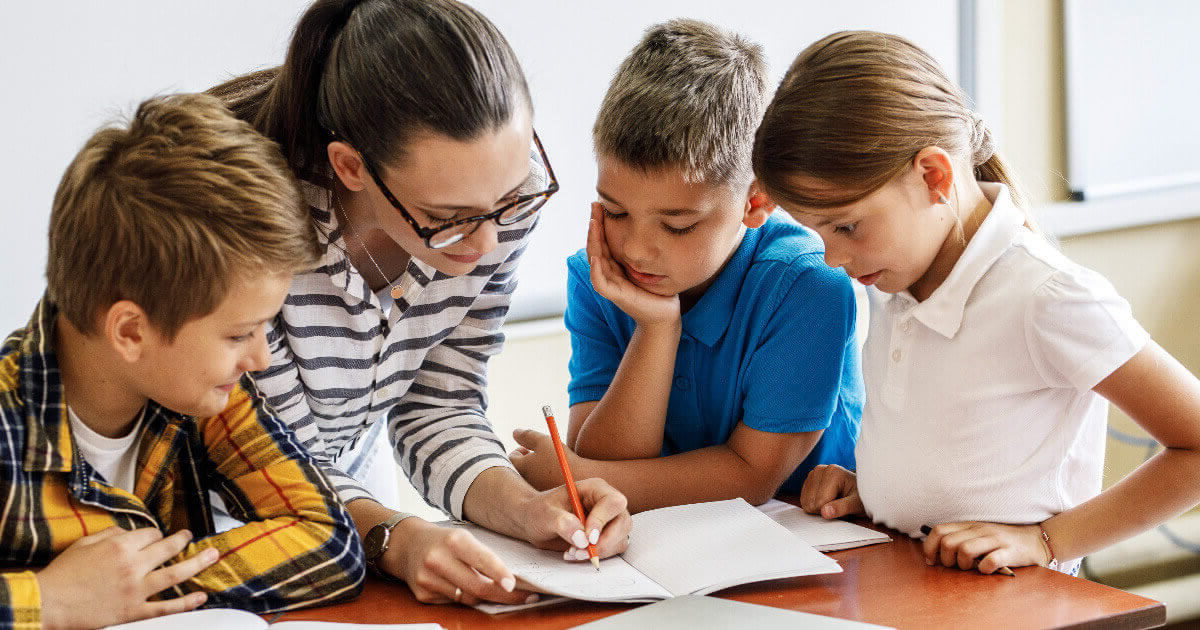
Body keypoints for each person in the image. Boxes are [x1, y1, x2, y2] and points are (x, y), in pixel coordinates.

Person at [208, 0, 630, 605]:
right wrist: (394, 537)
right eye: (446, 219)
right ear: (350, 167)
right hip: (213, 514)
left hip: (351, 500)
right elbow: (268, 462)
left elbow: (440, 401)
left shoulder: (495, 200)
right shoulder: (256, 227)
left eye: (510, 198)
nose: (486, 244)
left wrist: (525, 508)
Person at [757, 30, 1200, 575]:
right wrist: (874, 488)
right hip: (924, 589)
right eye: (818, 232)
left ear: (933, 176)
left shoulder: (1046, 297)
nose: (831, 258)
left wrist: (1045, 539)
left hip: (1020, 602)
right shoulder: (898, 280)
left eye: (846, 225)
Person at [0, 93, 364, 629]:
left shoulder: (203, 395)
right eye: (240, 333)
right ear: (130, 331)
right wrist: (50, 601)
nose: (261, 358)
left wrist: (137, 592)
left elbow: (329, 540)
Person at [509, 19, 862, 517]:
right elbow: (609, 460)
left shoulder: (808, 287)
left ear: (756, 200)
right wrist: (656, 327)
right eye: (614, 211)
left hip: (823, 545)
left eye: (677, 226)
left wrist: (578, 475)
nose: (635, 250)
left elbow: (753, 476)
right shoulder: (598, 278)